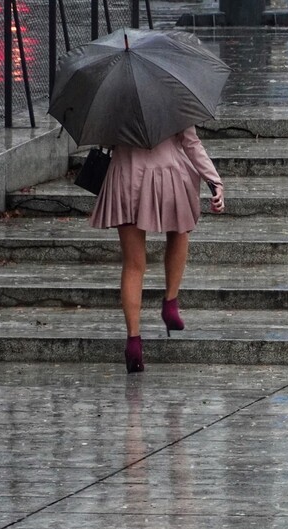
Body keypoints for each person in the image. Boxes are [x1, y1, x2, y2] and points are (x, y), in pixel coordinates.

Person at [89, 125, 225, 373]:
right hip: (168, 175)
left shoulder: (113, 96)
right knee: (180, 230)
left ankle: (133, 341)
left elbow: (105, 140)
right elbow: (190, 142)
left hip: (125, 177)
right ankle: (170, 301)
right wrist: (214, 181)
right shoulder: (171, 91)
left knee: (133, 264)